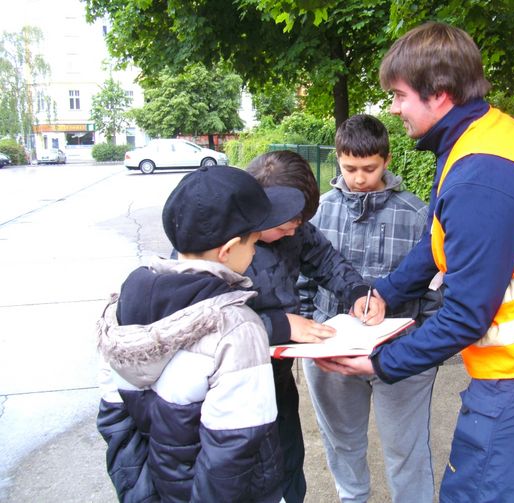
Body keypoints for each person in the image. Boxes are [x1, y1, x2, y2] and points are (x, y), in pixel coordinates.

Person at [319, 22, 514, 502]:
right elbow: (439, 241)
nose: (393, 108)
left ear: (438, 94)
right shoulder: (476, 137)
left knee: (478, 488)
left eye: (398, 95)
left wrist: (379, 362)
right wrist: (386, 293)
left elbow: (464, 314)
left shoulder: (482, 176)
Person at [96, 166, 306, 502]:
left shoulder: (120, 309)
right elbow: (234, 451)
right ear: (229, 249)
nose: (254, 253)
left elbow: (116, 421)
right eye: (253, 243)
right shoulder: (238, 328)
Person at [298, 114, 441, 502]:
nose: (359, 178)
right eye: (349, 168)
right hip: (331, 353)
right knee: (342, 444)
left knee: (405, 452)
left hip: (401, 355)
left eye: (369, 168)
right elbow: (303, 281)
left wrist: (423, 352)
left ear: (387, 160)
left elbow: (434, 290)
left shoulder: (418, 215)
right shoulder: (319, 212)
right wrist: (310, 338)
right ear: (338, 159)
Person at [243, 150, 385, 503]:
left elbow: (324, 258)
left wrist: (356, 291)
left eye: (300, 221)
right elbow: (202, 325)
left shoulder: (292, 228)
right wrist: (278, 325)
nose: (295, 230)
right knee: (248, 475)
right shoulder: (220, 244)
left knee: (288, 463)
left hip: (277, 376)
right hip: (234, 385)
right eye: (285, 224)